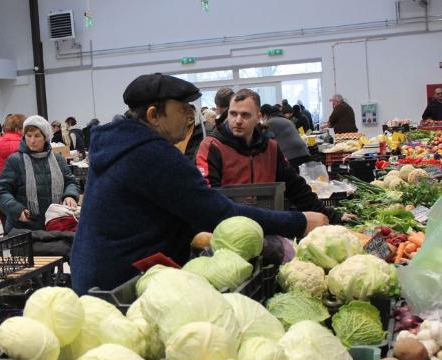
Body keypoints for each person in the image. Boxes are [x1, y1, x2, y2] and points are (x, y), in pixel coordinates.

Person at [70, 74, 327, 294]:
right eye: (182, 108)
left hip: (95, 276)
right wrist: (299, 221)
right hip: (122, 286)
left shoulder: (120, 145)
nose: (189, 115)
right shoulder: (150, 154)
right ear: (154, 115)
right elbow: (221, 214)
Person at [196, 89, 341, 222]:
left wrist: (331, 216)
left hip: (269, 229)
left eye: (245, 115)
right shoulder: (211, 147)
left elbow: (296, 188)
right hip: (228, 229)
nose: (238, 120)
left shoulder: (270, 147)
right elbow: (210, 199)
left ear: (259, 117)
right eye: (233, 114)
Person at [0, 115, 80, 233]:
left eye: (37, 136)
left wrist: (70, 195)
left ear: (45, 137)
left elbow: (71, 181)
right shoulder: (15, 160)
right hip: (24, 228)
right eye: (28, 136)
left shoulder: (58, 159)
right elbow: (1, 190)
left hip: (55, 223)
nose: (32, 140)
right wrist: (16, 209)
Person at [0, 113, 26, 223]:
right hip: (22, 197)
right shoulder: (25, 145)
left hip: (2, 198)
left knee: (9, 235)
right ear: (19, 129)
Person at [262, 104, 311, 168]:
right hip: (304, 152)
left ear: (265, 115)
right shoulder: (287, 120)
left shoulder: (269, 122)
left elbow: (261, 138)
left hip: (291, 156)